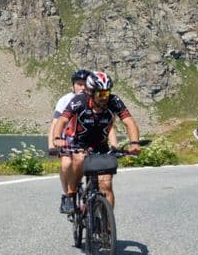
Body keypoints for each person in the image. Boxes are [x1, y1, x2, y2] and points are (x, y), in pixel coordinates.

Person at [52, 71, 141, 213]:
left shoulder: (114, 101)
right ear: (90, 92)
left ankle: (107, 227)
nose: (104, 98)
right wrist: (57, 139)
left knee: (106, 187)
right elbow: (62, 120)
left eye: (106, 93)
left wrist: (134, 143)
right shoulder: (79, 101)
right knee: (79, 159)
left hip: (101, 145)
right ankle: (71, 192)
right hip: (79, 142)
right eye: (100, 94)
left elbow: (129, 122)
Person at [48, 68, 117, 198]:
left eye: (85, 84)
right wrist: (52, 143)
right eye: (79, 84)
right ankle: (67, 195)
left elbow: (108, 126)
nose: (82, 87)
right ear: (72, 86)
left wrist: (114, 144)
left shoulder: (97, 102)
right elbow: (56, 123)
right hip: (68, 139)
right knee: (66, 165)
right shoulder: (66, 100)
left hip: (90, 141)